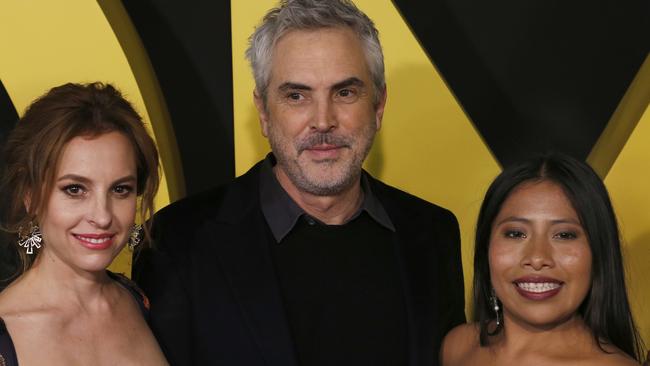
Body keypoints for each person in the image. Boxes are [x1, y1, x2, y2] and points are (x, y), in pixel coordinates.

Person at [133, 0, 465, 365]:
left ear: (379, 105)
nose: (323, 121)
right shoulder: (176, 241)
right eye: (296, 95)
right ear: (262, 112)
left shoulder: (433, 233)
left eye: (345, 92)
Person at [0, 83, 168, 365]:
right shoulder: (8, 332)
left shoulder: (137, 301)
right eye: (75, 189)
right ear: (29, 195)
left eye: (120, 189)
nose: (102, 217)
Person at [441, 153, 646, 365]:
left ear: (598, 252)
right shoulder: (458, 346)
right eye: (515, 234)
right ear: (486, 247)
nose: (537, 258)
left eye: (564, 235)